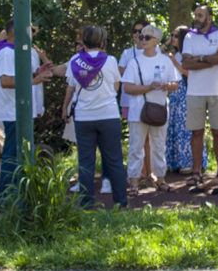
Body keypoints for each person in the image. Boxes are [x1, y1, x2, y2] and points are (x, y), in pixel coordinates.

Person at [62, 24, 127, 209]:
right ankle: (120, 202)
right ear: (102, 41)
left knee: (86, 161)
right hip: (108, 115)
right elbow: (116, 86)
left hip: (84, 116)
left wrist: (64, 107)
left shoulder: (75, 60)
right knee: (114, 160)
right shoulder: (111, 61)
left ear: (84, 41)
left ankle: (86, 202)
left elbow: (71, 88)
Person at [0, 19, 53, 201]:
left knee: (20, 153)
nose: (32, 37)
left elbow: (18, 76)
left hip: (22, 111)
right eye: (29, 32)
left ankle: (18, 193)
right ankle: (6, 196)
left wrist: (37, 72)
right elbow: (6, 81)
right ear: (15, 33)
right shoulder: (6, 53)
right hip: (12, 111)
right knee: (11, 154)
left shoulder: (17, 53)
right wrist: (33, 81)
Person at [122, 24, 180, 192]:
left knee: (159, 145)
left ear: (156, 41)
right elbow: (127, 88)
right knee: (136, 146)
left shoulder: (165, 61)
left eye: (147, 37)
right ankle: (133, 182)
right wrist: (148, 87)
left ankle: (161, 179)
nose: (143, 40)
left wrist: (167, 85)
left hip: (159, 109)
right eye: (141, 37)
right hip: (137, 110)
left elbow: (175, 84)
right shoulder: (134, 62)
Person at [182, 5, 218, 180]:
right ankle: (197, 171)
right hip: (195, 91)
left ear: (209, 18)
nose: (197, 18)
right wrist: (210, 59)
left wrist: (198, 59)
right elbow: (186, 64)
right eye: (195, 15)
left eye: (200, 15)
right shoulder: (189, 36)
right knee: (196, 132)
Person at [164, 25, 206, 175]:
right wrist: (167, 42)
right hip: (174, 94)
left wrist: (175, 62)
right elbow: (157, 52)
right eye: (172, 35)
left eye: (176, 35)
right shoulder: (173, 54)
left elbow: (189, 74)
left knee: (186, 128)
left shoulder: (188, 55)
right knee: (174, 126)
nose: (173, 38)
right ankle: (175, 162)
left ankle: (189, 162)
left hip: (186, 91)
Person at [119, 20, 152, 188]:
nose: (140, 35)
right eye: (136, 31)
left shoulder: (155, 52)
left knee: (149, 138)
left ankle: (148, 172)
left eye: (143, 31)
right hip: (129, 101)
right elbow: (122, 73)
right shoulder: (127, 53)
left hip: (151, 101)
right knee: (135, 138)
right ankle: (137, 173)